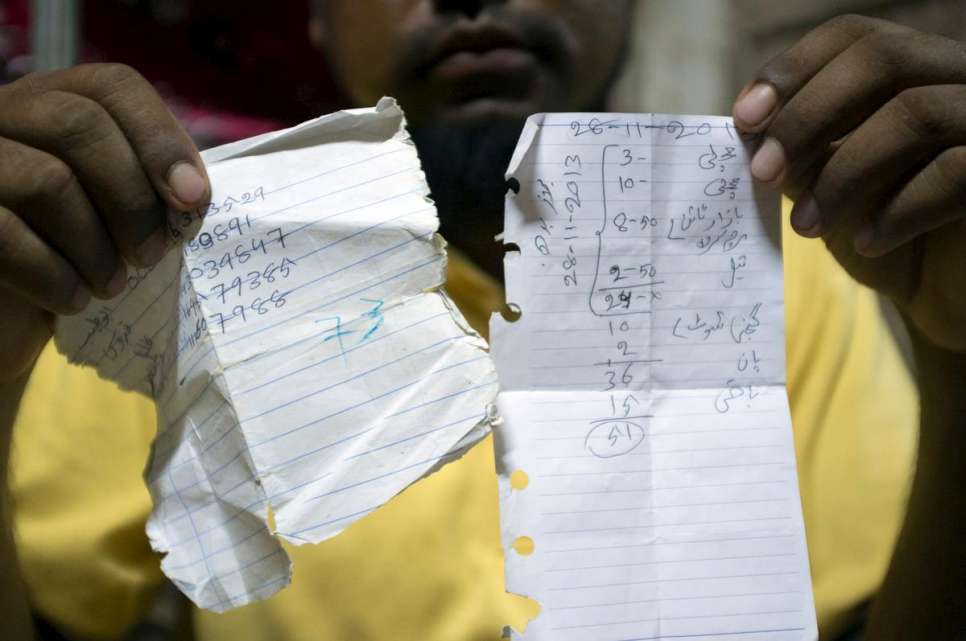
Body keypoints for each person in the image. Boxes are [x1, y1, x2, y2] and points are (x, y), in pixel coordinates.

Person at [1, 2, 963, 640]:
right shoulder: (179, 287)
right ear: (320, 20)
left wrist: (961, 360)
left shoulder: (788, 269)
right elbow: (59, 604)